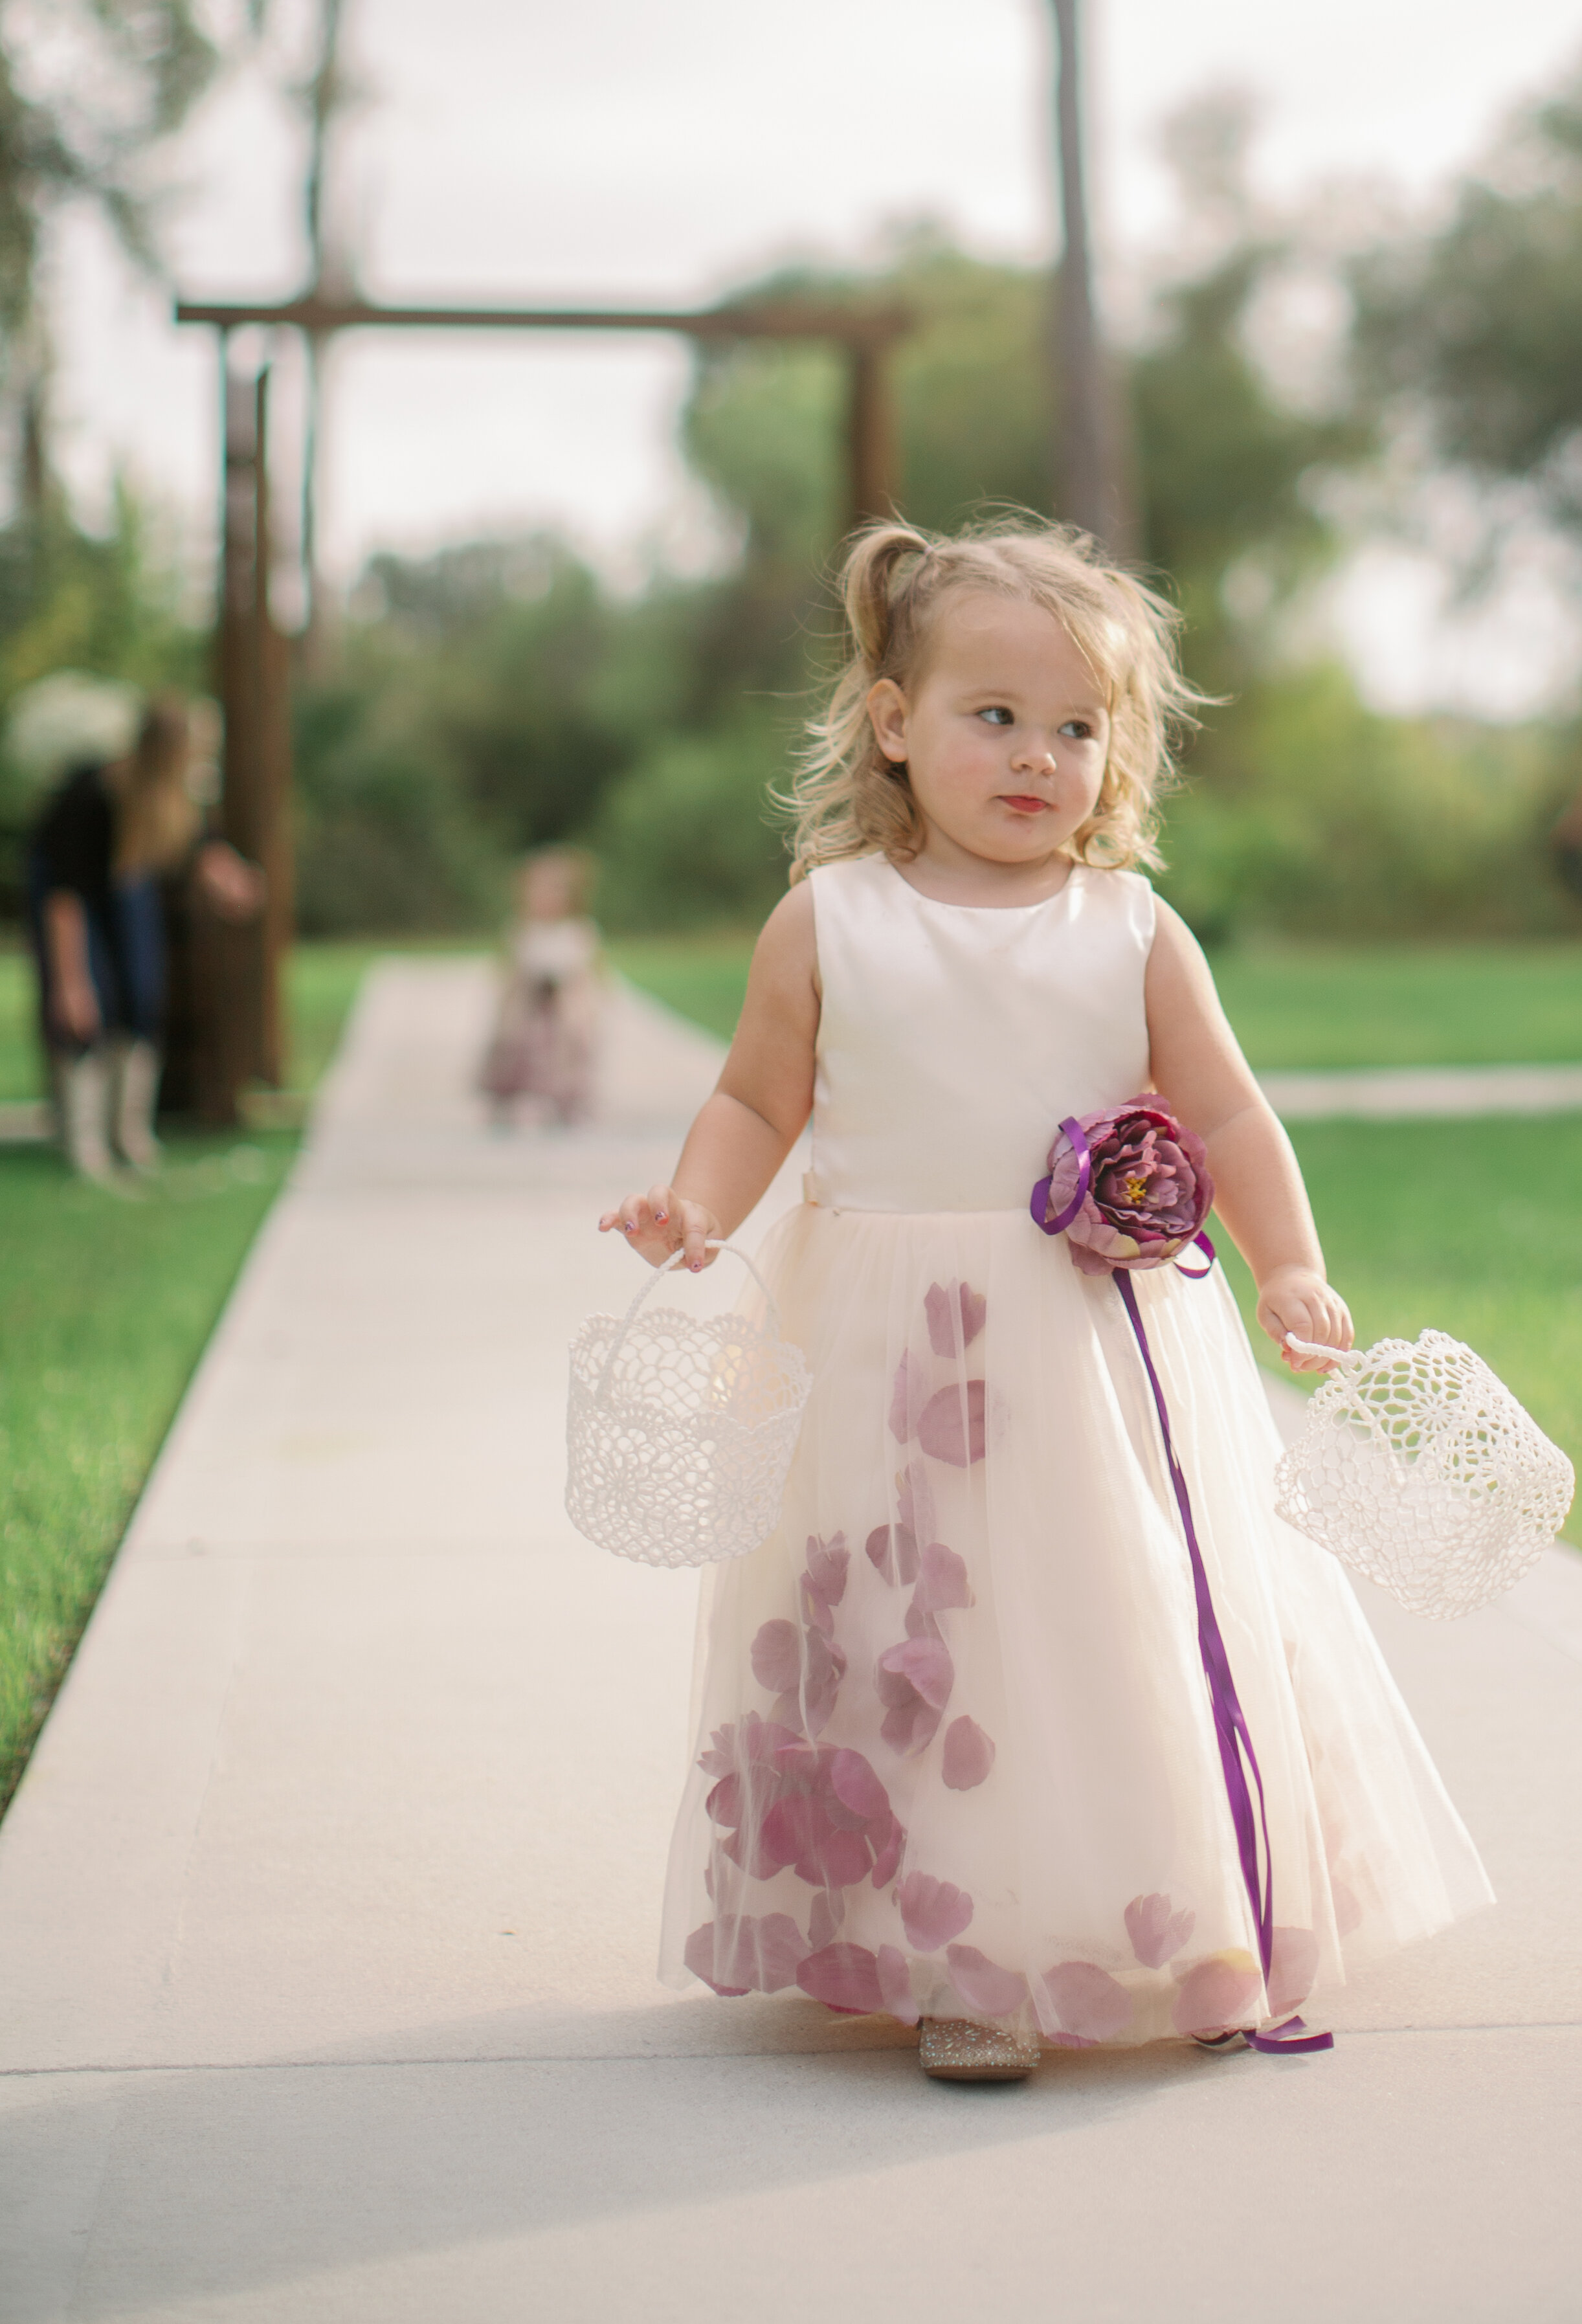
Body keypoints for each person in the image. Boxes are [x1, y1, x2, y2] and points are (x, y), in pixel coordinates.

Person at [600, 518, 1491, 2082]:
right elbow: (757, 1097)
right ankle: (964, 1952)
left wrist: (1289, 1260)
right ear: (894, 722)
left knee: (1111, 1614)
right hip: (891, 1346)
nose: (1038, 757)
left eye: (1078, 727)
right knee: (929, 1627)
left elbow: (1226, 1114)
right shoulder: (833, 918)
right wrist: (698, 1205)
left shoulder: (1131, 926)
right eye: (993, 716)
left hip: (1093, 1345)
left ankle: (1186, 1911)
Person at [27, 694, 262, 1179]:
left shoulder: (173, 800)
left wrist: (230, 879)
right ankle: (85, 1147)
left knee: (140, 997)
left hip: (123, 886)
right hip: (68, 900)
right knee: (89, 1013)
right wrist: (71, 984)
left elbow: (202, 845)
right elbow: (63, 899)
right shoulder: (90, 797)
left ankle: (129, 1137)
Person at [480, 847, 604, 1126]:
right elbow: (508, 968)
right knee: (514, 1044)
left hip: (564, 1006)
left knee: (568, 1047)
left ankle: (567, 1100)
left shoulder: (578, 931)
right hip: (527, 1005)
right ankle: (505, 1096)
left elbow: (589, 971)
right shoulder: (520, 930)